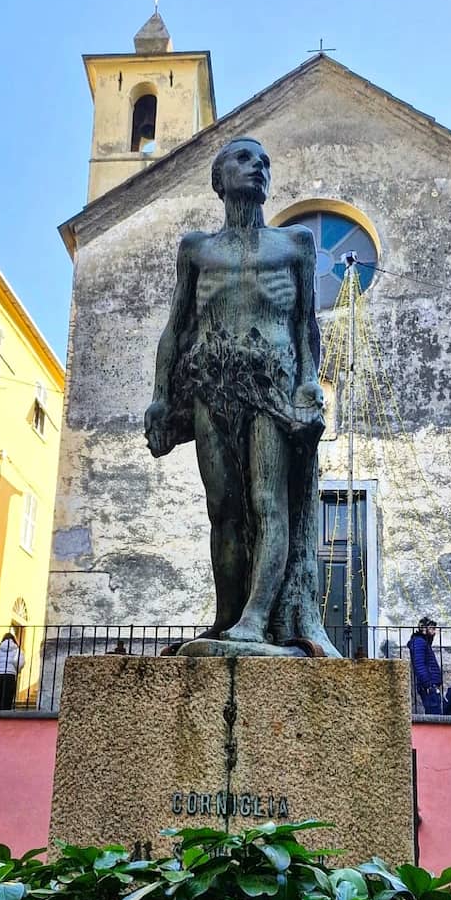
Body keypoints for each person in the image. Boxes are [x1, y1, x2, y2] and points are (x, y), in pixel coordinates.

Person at [144, 138, 339, 655]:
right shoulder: (196, 249)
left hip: (272, 385)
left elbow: (306, 326)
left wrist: (309, 383)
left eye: (265, 162)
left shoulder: (293, 244)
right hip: (213, 384)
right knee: (223, 508)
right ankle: (227, 615)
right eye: (244, 159)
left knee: (267, 503)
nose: (258, 168)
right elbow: (175, 327)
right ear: (219, 179)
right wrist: (161, 396)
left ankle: (256, 619)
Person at [407, 618, 443, 714]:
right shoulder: (419, 641)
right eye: (431, 628)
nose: (434, 631)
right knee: (434, 715)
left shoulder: (422, 641)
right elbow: (419, 665)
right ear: (423, 628)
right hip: (429, 686)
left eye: (434, 629)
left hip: (431, 685)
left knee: (435, 713)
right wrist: (428, 685)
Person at [0, 632, 23, 710]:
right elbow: (20, 663)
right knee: (8, 697)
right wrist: (17, 670)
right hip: (10, 674)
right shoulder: (17, 650)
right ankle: (5, 714)